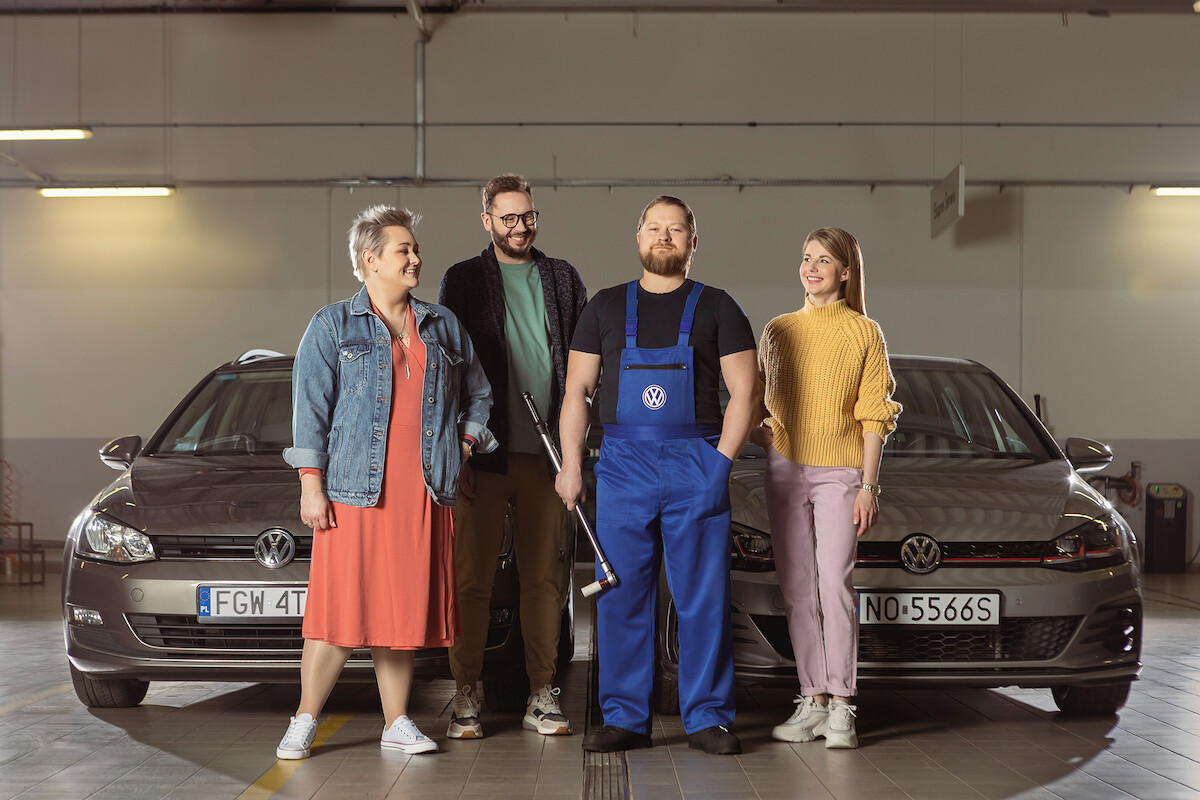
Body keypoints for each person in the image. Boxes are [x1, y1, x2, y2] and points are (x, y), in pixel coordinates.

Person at [277, 205, 495, 760]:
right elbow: (311, 410)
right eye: (404, 250)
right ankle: (304, 719)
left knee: (398, 616)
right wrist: (311, 484)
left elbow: (479, 395)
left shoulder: (442, 325)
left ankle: (396, 722)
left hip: (422, 493)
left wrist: (463, 449)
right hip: (354, 492)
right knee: (338, 614)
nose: (416, 257)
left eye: (415, 248)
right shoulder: (331, 325)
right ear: (369, 260)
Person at [556, 196, 758, 756]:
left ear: (694, 241)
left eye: (676, 229)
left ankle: (707, 718)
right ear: (638, 237)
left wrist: (721, 463)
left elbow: (747, 392)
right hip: (622, 465)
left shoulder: (719, 307)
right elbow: (577, 392)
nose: (664, 236)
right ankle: (624, 716)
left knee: (702, 596)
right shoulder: (603, 307)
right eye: (654, 228)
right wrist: (572, 463)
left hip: (697, 459)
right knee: (621, 594)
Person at [438, 174, 588, 739]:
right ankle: (465, 693)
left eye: (528, 217)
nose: (521, 227)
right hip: (484, 454)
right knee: (471, 580)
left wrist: (573, 453)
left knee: (543, 580)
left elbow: (582, 364)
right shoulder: (465, 279)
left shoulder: (562, 278)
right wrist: (459, 452)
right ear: (487, 221)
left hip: (546, 457)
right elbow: (447, 368)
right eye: (509, 219)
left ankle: (541, 693)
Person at [754, 227, 901, 749]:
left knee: (833, 585)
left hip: (842, 475)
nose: (811, 267)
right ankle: (812, 698)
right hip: (785, 471)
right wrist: (765, 437)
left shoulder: (865, 333)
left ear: (845, 271)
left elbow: (873, 416)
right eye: (806, 258)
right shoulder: (777, 330)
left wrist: (869, 486)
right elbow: (761, 401)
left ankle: (842, 704)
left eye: (824, 260)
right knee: (796, 590)